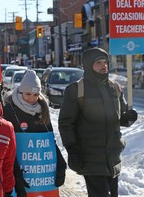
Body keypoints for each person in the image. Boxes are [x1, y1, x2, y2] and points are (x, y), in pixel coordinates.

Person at [58, 47, 138, 197]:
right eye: (98, 63)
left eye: (105, 62)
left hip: (112, 157)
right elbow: (66, 123)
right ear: (89, 66)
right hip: (90, 157)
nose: (104, 66)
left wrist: (128, 119)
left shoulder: (114, 88)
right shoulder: (76, 90)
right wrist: (72, 149)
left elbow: (120, 116)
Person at [3, 70, 67, 197]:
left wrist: (61, 164)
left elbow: (50, 141)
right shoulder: (9, 110)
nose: (32, 99)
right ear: (20, 92)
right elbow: (6, 146)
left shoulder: (42, 109)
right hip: (18, 174)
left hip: (41, 179)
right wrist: (14, 173)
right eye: (28, 94)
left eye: (35, 94)